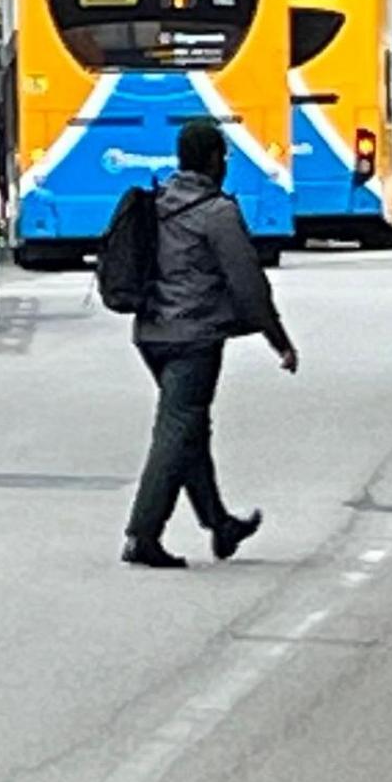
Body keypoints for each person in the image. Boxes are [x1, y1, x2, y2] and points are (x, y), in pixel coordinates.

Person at [122, 118, 296, 570]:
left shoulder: (157, 201)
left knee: (189, 428)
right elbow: (248, 283)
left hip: (150, 333)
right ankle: (143, 535)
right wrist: (279, 341)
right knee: (177, 429)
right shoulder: (217, 213)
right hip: (192, 338)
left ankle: (220, 523)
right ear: (216, 160)